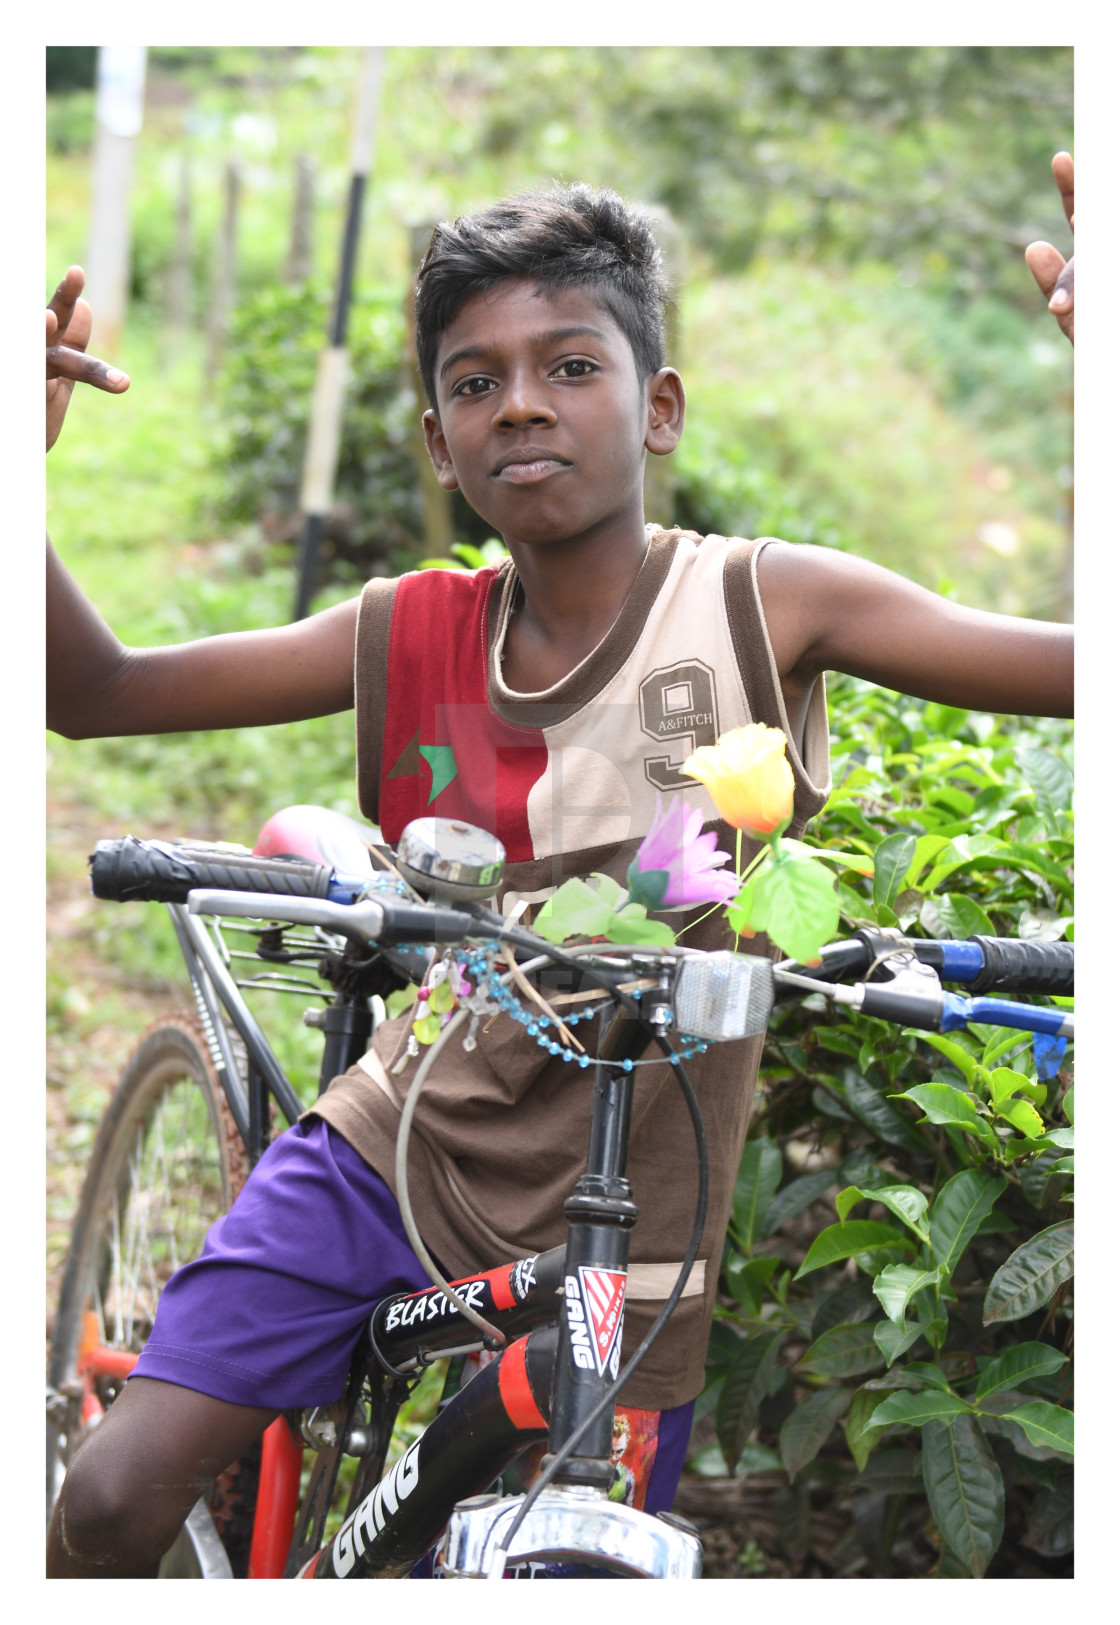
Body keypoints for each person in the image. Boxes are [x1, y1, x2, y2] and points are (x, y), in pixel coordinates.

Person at [45, 152, 1074, 1577]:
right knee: (108, 1499)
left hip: (636, 1216)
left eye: (569, 364)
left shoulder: (766, 605)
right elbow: (91, 688)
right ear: (436, 439)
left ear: (657, 409)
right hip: (392, 1143)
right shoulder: (407, 631)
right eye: (475, 383)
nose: (519, 401)